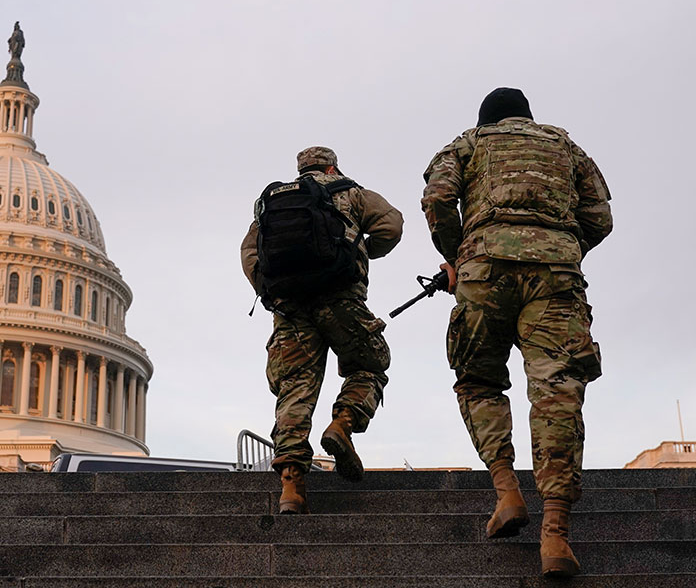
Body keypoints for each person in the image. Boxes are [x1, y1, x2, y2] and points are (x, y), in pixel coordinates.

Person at [421, 88, 613, 577]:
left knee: (478, 380)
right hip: (556, 273)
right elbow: (600, 218)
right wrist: (559, 244)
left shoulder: (466, 144)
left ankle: (507, 492)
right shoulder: (567, 148)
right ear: (527, 117)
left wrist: (458, 254)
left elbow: (439, 198)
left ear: (487, 119)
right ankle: (556, 536)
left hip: (483, 269)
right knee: (557, 391)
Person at [241, 146, 403, 514]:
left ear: (300, 171)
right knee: (371, 365)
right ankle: (343, 423)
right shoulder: (352, 193)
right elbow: (391, 226)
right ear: (332, 166)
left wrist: (269, 291)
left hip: (290, 310)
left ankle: (291, 488)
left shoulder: (270, 204)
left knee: (295, 390)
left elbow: (250, 252)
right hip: (341, 299)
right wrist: (359, 251)